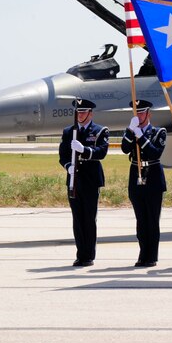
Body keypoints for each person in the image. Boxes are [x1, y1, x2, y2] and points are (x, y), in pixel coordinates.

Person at [58, 99, 109, 267]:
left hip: (90, 180)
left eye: (83, 112)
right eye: (78, 112)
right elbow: (63, 155)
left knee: (88, 218)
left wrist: (84, 150)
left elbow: (101, 152)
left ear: (90, 113)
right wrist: (68, 166)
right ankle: (80, 254)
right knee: (77, 219)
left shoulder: (100, 131)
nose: (80, 115)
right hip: (74, 180)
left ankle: (89, 255)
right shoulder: (68, 132)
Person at [121, 99, 167, 268]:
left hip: (153, 177)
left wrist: (141, 136)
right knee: (141, 220)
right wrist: (130, 130)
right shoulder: (132, 131)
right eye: (136, 112)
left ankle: (152, 256)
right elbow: (125, 149)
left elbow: (155, 153)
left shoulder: (158, 132)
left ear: (149, 113)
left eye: (141, 112)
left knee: (152, 220)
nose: (139, 115)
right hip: (136, 175)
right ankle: (142, 254)